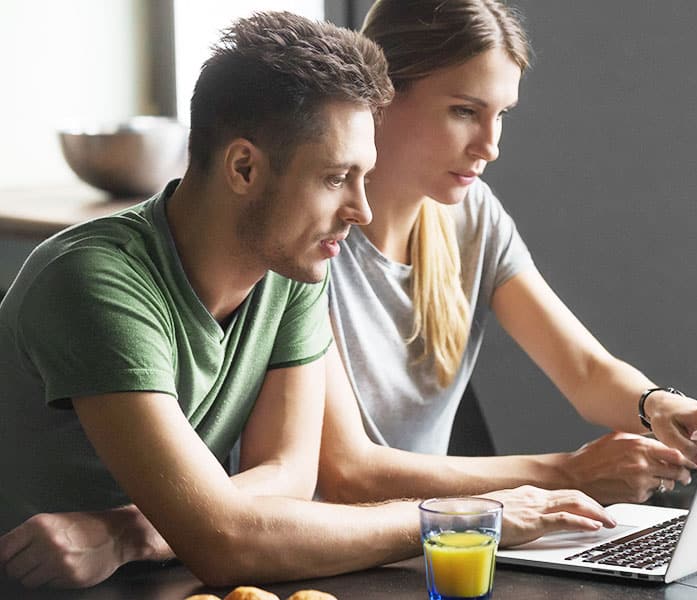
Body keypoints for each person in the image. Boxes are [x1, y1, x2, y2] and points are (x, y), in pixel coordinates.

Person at [0, 12, 613, 589]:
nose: (361, 210)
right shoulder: (96, 281)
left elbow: (290, 479)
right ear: (244, 167)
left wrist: (131, 532)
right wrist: (469, 516)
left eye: (363, 176)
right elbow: (224, 540)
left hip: (163, 578)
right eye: (334, 178)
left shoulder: (290, 269)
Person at [317, 0, 697, 508]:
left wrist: (659, 406)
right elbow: (347, 473)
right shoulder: (311, 239)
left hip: (433, 546)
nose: (490, 146)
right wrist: (567, 474)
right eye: (465, 111)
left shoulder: (473, 217)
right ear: (381, 96)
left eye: (502, 115)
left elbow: (584, 371)